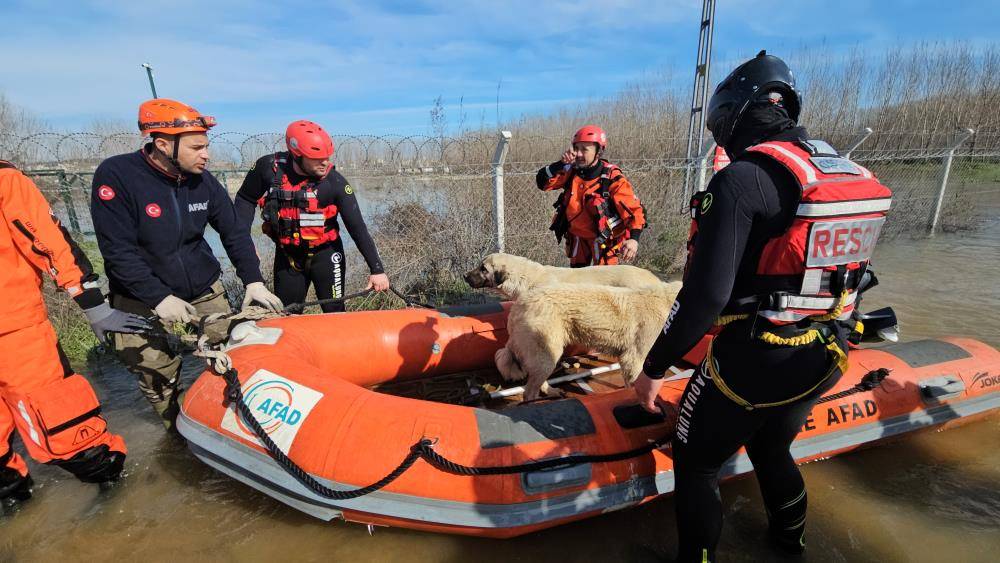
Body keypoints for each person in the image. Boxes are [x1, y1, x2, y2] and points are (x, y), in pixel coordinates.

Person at [633, 51, 892, 561]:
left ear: (729, 114)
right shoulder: (848, 172)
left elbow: (703, 298)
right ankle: (789, 546)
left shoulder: (743, 179)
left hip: (758, 357)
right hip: (827, 350)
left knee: (698, 463)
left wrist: (654, 368)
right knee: (772, 447)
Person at [90, 98, 283, 431]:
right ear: (163, 145)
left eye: (206, 146)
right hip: (139, 298)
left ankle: (233, 423)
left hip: (202, 289)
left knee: (233, 353)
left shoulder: (203, 181)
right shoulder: (118, 176)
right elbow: (117, 251)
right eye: (197, 147)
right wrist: (158, 298)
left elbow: (234, 233)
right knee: (157, 373)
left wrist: (253, 281)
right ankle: (176, 431)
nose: (206, 155)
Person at [1, 160, 151, 508]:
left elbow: (47, 238)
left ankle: (117, 494)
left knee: (66, 429)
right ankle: (16, 504)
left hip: (15, 333)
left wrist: (92, 303)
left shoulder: (5, 181)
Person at [234, 120, 388, 313]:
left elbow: (358, 229)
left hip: (327, 254)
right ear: (297, 155)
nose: (325, 163)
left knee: (335, 312)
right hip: (288, 256)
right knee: (287, 313)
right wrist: (245, 243)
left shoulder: (335, 183)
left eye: (326, 157)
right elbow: (245, 199)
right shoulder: (267, 169)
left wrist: (377, 270)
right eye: (316, 158)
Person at [536, 125, 646, 267]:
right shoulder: (570, 171)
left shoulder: (612, 177)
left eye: (585, 149)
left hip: (604, 241)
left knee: (605, 284)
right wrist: (560, 164)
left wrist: (634, 239)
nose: (579, 154)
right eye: (577, 149)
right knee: (577, 280)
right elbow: (542, 183)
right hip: (578, 239)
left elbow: (633, 209)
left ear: (598, 152)